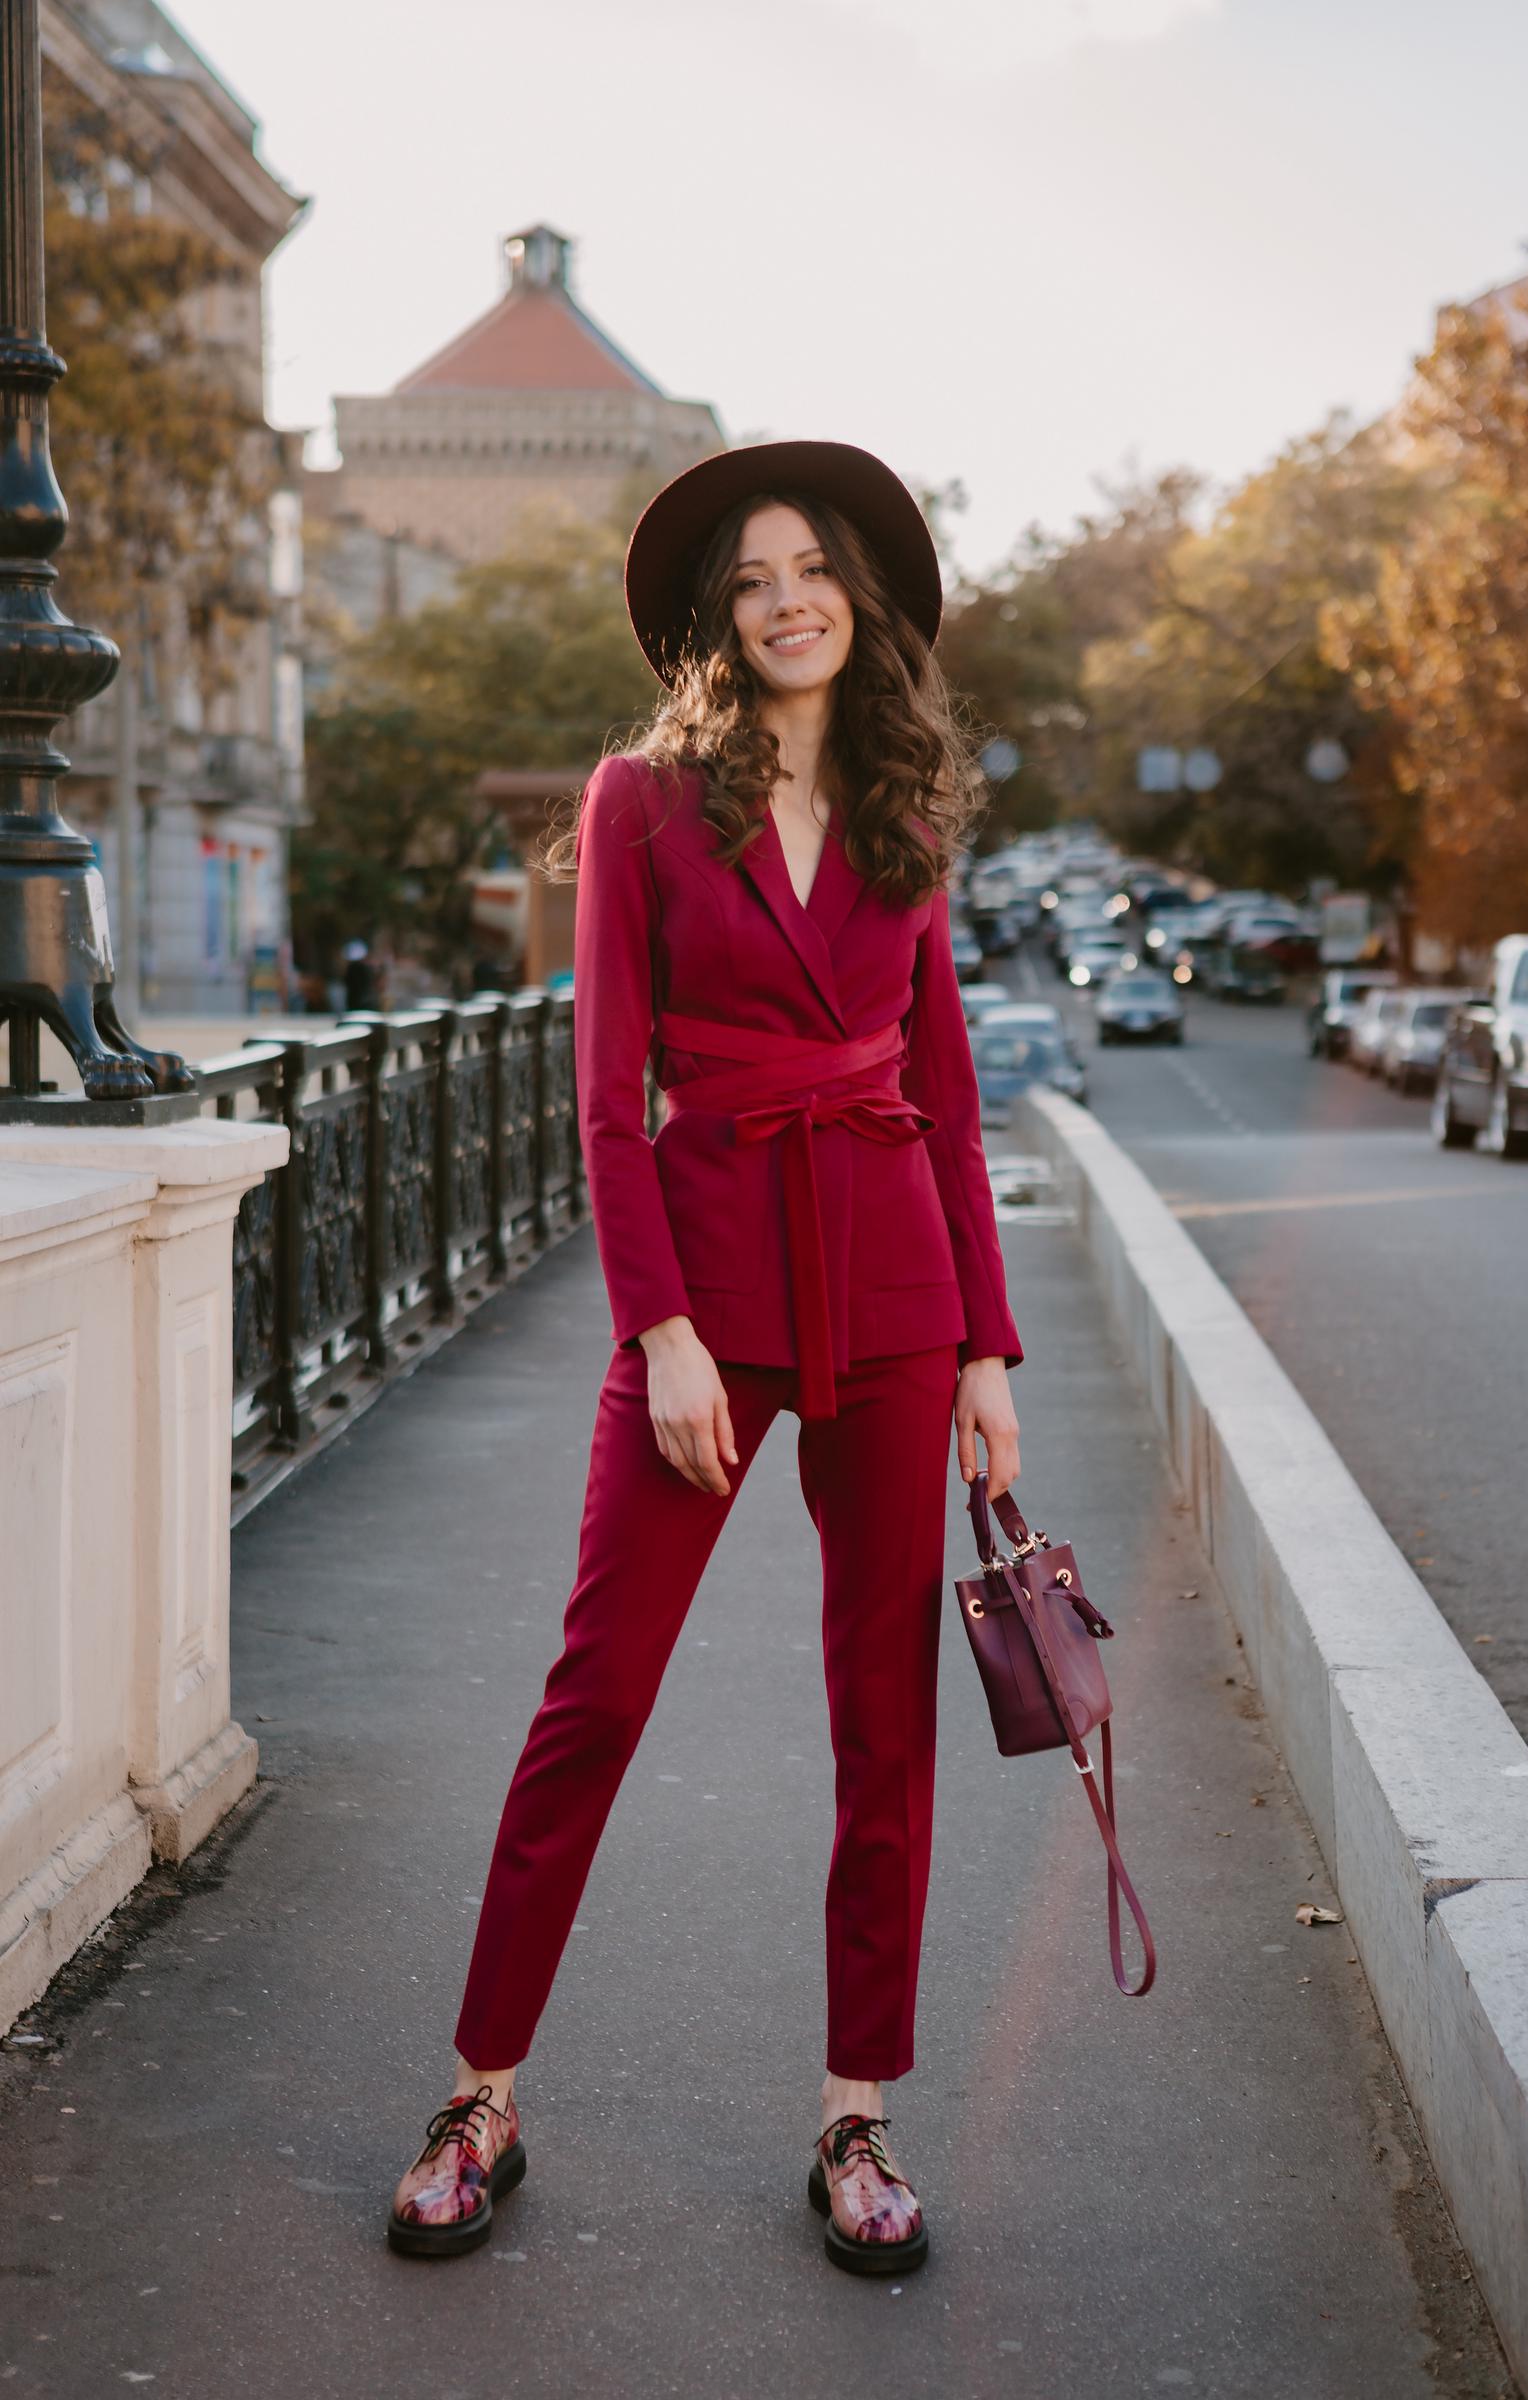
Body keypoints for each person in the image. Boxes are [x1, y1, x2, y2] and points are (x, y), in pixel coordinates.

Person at [386, 441, 1024, 2276]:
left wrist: (988, 1347)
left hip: (897, 1297)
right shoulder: (645, 802)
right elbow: (606, 1104)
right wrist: (660, 1330)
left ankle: (856, 2121)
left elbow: (952, 1103)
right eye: (752, 578)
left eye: (813, 568)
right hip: (712, 1300)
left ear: (862, 599)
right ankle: (480, 2097)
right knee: (596, 1696)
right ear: (714, 620)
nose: (788, 597)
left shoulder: (909, 810)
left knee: (881, 1718)